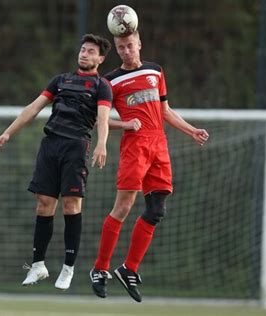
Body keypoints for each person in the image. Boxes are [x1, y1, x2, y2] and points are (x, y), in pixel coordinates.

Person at [89, 31, 209, 302]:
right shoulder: (108, 81)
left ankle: (129, 268)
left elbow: (165, 110)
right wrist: (125, 125)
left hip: (159, 143)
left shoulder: (155, 71)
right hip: (135, 146)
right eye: (121, 47)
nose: (126, 51)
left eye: (130, 45)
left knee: (156, 210)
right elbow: (100, 119)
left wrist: (191, 131)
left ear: (139, 44)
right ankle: (100, 268)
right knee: (123, 207)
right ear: (117, 50)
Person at [0, 34, 113, 290]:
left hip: (76, 146)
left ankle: (68, 267)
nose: (84, 53)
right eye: (82, 49)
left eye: (91, 51)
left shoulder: (102, 86)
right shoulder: (61, 80)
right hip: (50, 144)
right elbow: (32, 108)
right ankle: (38, 266)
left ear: (100, 59)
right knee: (44, 204)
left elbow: (103, 118)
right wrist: (8, 132)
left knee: (71, 205)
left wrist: (102, 143)